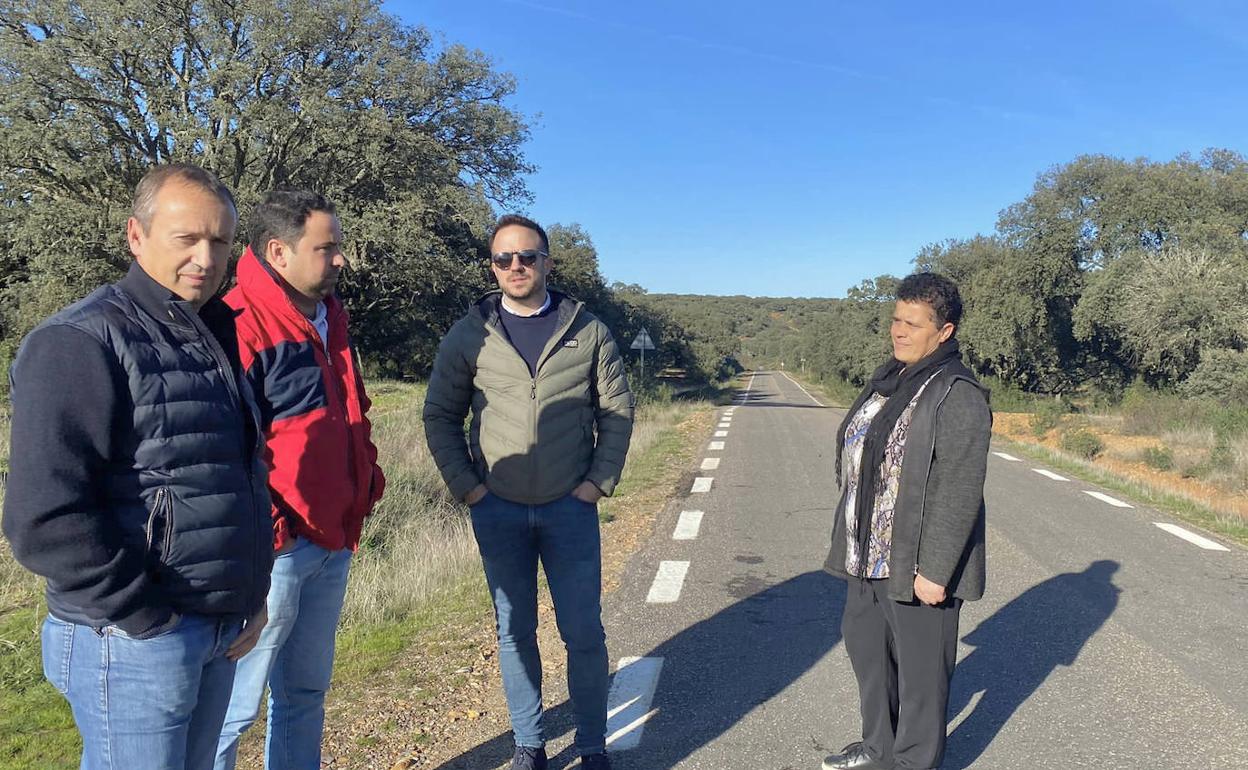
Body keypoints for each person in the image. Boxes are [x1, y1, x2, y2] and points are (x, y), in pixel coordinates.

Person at [1, 163, 272, 770]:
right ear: (135, 235)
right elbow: (43, 517)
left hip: (216, 625)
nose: (205, 256)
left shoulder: (211, 332)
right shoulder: (80, 341)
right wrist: (147, 618)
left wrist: (249, 597)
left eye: (220, 241)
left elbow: (230, 471)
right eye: (186, 238)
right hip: (131, 638)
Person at [423, 214, 634, 770]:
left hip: (571, 506)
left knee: (583, 631)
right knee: (514, 631)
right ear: (492, 267)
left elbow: (616, 411)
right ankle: (530, 744)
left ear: (547, 262)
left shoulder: (588, 330)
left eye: (528, 256)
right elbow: (440, 415)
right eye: (504, 258)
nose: (516, 266)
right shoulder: (471, 333)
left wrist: (597, 483)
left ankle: (592, 746)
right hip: (498, 508)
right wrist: (468, 488)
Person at [214, 190, 385, 770]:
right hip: (276, 553)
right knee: (232, 710)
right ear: (278, 252)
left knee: (305, 696)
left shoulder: (330, 315)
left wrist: (366, 483)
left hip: (333, 540)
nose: (340, 260)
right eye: (327, 248)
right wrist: (275, 532)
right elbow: (234, 450)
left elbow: (351, 407)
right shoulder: (239, 324)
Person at [822, 272, 991, 770]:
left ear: (944, 331)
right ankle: (878, 750)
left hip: (916, 565)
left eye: (913, 324)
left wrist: (936, 572)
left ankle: (914, 762)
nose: (899, 331)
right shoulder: (889, 380)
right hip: (864, 556)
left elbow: (960, 489)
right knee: (871, 662)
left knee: (921, 678)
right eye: (896, 319)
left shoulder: (957, 393)